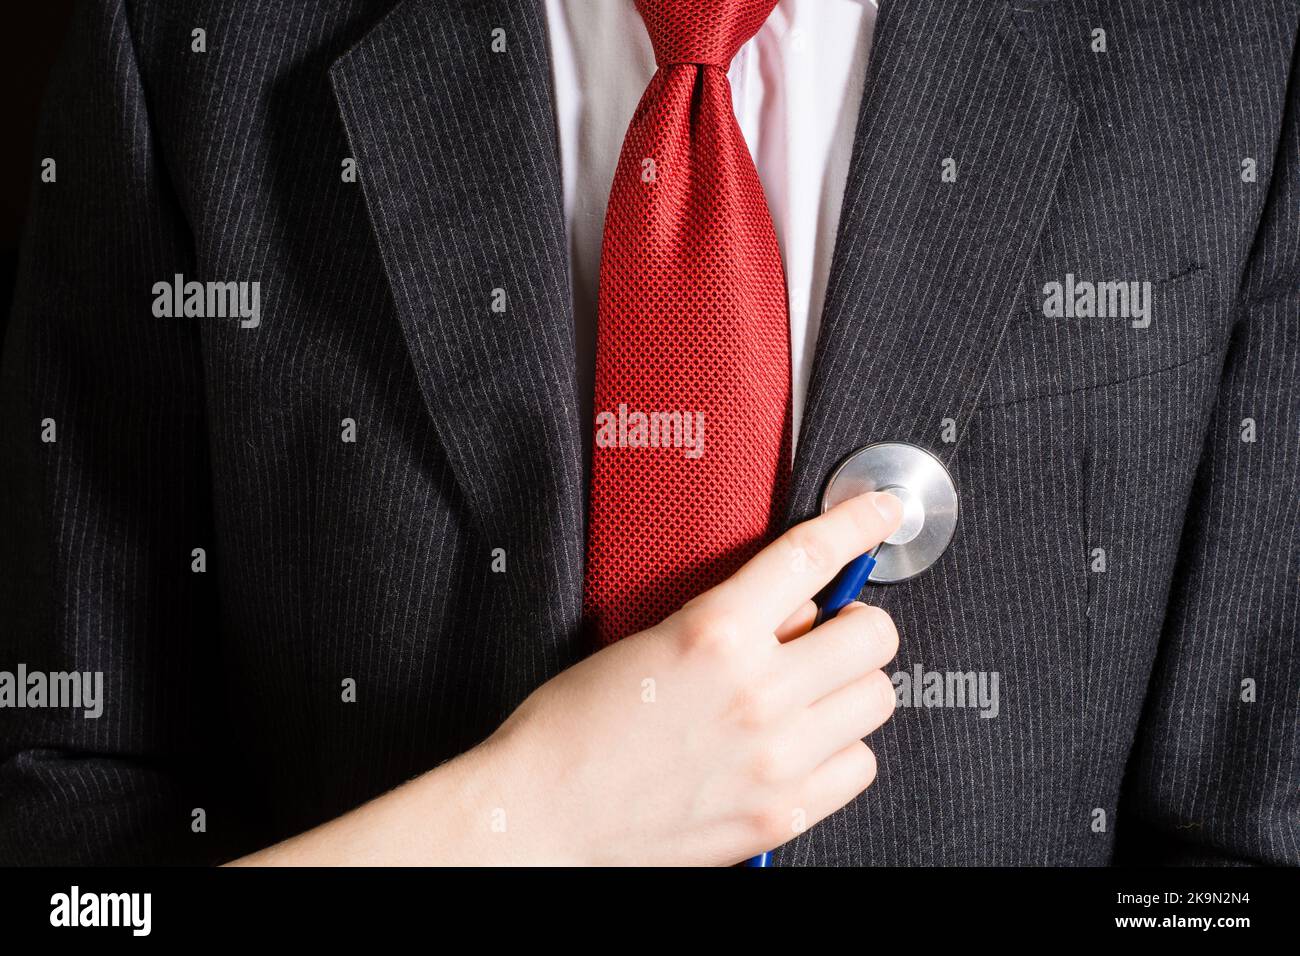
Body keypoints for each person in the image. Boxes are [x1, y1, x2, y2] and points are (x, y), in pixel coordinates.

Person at [1, 0, 1296, 867]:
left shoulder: (1235, 45)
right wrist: (537, 822)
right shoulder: (184, 40)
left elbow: (1252, 836)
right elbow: (73, 811)